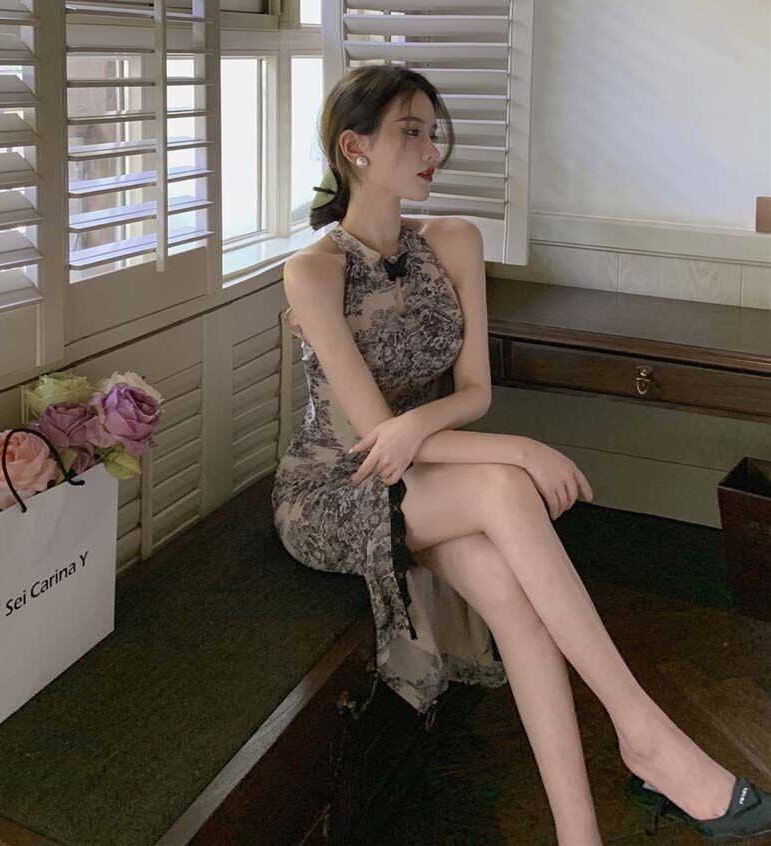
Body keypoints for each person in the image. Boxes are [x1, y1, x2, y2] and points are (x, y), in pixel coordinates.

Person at [271, 63, 771, 845]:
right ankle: (643, 733)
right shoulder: (313, 271)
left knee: (512, 595)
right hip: (337, 487)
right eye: (410, 132)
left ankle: (582, 834)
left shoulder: (453, 242)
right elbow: (377, 441)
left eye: (434, 132)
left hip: (432, 470)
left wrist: (445, 431)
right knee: (506, 488)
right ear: (354, 148)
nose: (432, 149)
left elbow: (473, 391)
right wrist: (521, 451)